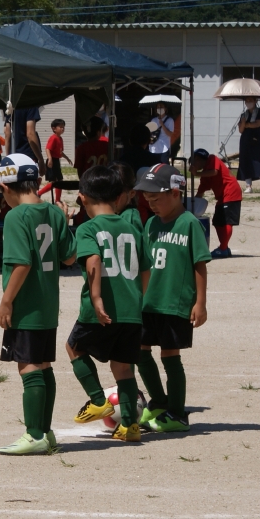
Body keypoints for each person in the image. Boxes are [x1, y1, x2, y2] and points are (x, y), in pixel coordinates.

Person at [0, 153, 76, 455]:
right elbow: (70, 257)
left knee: (28, 367)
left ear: (6, 188)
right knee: (44, 365)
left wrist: (6, 301)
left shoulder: (15, 216)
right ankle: (46, 431)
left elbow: (22, 263)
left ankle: (34, 434)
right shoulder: (53, 212)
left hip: (26, 304)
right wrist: (66, 221)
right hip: (48, 303)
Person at [66, 164, 150, 443]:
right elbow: (146, 270)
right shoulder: (132, 228)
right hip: (132, 311)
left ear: (82, 198)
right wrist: (139, 299)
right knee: (123, 367)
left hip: (100, 311)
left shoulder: (87, 228)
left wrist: (97, 298)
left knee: (74, 347)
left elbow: (93, 261)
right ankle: (130, 426)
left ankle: (98, 400)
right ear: (118, 197)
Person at [134, 163, 209, 433]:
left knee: (170, 354)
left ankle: (177, 414)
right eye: (147, 199)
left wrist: (200, 303)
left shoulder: (189, 224)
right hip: (149, 301)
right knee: (140, 350)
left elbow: (200, 264)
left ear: (175, 193)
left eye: (156, 198)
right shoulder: (151, 223)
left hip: (175, 303)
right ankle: (159, 401)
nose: (151, 204)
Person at [189, 148, 242, 259]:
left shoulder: (212, 159)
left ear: (197, 159)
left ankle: (223, 248)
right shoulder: (204, 176)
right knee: (217, 222)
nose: (192, 166)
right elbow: (200, 193)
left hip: (231, 192)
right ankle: (224, 247)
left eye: (192, 163)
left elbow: (214, 171)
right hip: (222, 197)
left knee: (227, 221)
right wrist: (191, 207)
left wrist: (197, 173)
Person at [237, 97, 260, 194]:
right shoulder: (244, 115)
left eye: (250, 100)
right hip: (245, 141)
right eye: (246, 101)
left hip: (256, 140)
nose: (248, 103)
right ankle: (248, 186)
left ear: (255, 101)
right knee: (246, 162)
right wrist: (244, 123)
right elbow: (241, 129)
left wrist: (247, 125)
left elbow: (258, 123)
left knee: (259, 162)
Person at [4, 105, 46, 176]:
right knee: (30, 182)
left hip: (13, 156)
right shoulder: (31, 106)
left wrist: (8, 158)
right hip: (28, 156)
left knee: (16, 182)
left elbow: (7, 134)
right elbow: (30, 134)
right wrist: (41, 160)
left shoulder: (11, 107)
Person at [37, 119, 71, 201]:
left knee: (59, 181)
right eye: (60, 127)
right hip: (52, 161)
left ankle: (57, 200)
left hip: (56, 161)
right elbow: (48, 149)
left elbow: (60, 152)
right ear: (54, 128)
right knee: (55, 182)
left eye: (63, 127)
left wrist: (67, 158)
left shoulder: (60, 139)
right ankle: (40, 193)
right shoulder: (53, 138)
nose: (62, 129)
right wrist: (50, 159)